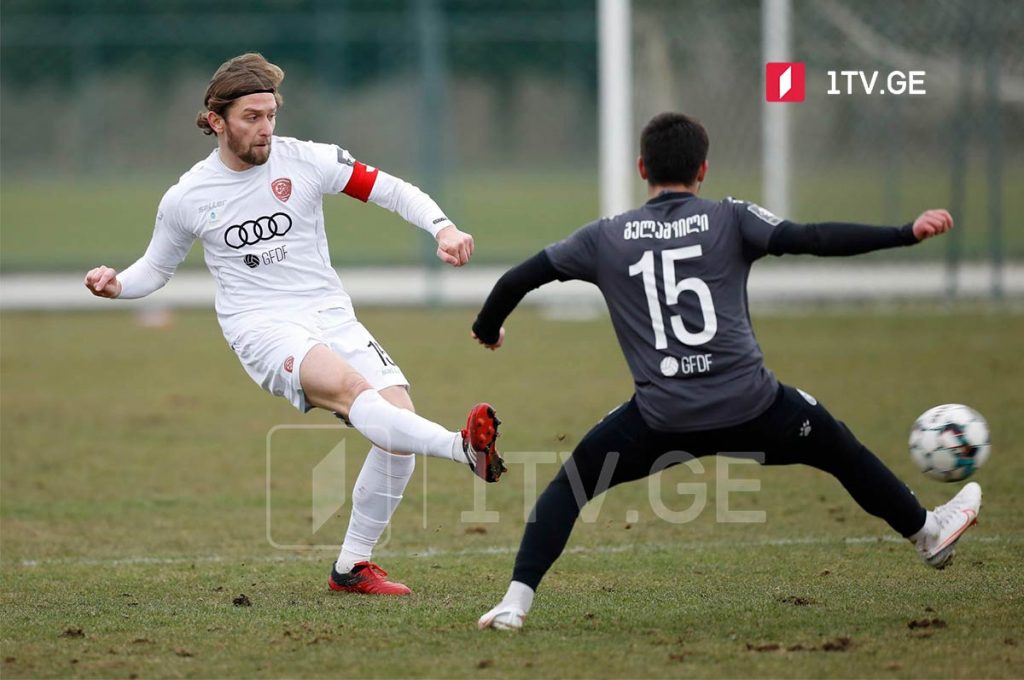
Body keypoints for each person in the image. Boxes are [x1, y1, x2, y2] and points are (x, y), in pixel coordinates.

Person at [470, 112, 982, 631]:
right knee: (839, 448)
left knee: (571, 486)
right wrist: (903, 233)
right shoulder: (730, 218)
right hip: (752, 407)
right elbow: (812, 238)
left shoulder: (606, 236)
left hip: (661, 419)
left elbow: (520, 278)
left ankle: (515, 603)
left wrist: (489, 328)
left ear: (641, 167)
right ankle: (927, 533)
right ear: (704, 169)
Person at [84, 53, 506, 597]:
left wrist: (442, 227)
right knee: (354, 393)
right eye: (251, 117)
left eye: (271, 115)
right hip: (261, 328)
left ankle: (352, 567)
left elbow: (390, 188)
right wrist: (117, 284)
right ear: (217, 121)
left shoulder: (306, 160)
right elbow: (154, 270)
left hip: (330, 313)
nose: (265, 129)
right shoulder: (188, 197)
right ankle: (462, 450)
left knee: (397, 428)